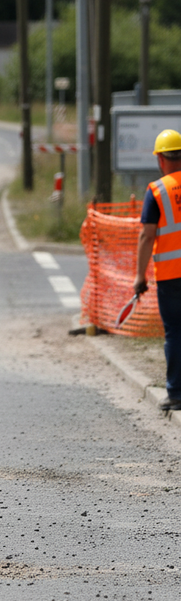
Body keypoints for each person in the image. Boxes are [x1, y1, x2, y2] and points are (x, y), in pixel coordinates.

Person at [134, 129, 181, 412]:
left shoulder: (157, 191)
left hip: (171, 276)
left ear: (160, 159)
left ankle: (175, 394)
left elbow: (146, 236)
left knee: (175, 332)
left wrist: (140, 276)